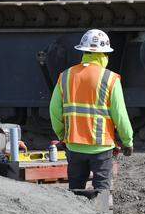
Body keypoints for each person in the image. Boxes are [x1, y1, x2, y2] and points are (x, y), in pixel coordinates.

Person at [49, 29, 134, 198]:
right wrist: (127, 141)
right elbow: (120, 114)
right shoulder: (110, 78)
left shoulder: (65, 76)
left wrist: (63, 135)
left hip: (74, 145)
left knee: (75, 192)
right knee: (101, 192)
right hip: (102, 147)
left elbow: (54, 111)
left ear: (83, 52)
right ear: (104, 55)